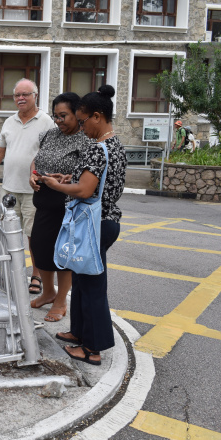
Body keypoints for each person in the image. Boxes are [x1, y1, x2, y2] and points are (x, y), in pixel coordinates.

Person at [38, 85, 127, 366]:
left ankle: (92, 348)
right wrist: (68, 177)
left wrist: (55, 185)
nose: (81, 126)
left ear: (97, 117)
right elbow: (94, 183)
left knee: (91, 288)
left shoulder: (98, 149)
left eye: (83, 120)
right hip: (103, 222)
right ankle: (78, 333)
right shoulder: (115, 146)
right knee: (82, 280)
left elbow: (87, 191)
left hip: (94, 225)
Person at [0, 78, 56, 295]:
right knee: (7, 232)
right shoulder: (9, 122)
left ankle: (36, 275)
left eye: (25, 94)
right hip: (9, 189)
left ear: (35, 96)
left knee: (34, 237)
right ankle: (13, 271)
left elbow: (51, 154)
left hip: (35, 191)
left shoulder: (47, 122)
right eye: (17, 95)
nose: (20, 98)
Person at [29, 92, 93, 322]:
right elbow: (37, 160)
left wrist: (69, 178)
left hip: (67, 206)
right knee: (39, 247)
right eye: (56, 116)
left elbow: (89, 175)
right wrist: (33, 175)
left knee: (63, 254)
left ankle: (61, 300)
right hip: (44, 203)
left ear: (77, 113)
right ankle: (48, 292)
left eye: (64, 116)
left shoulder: (87, 140)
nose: (59, 121)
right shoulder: (49, 135)